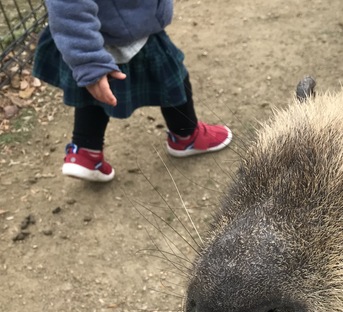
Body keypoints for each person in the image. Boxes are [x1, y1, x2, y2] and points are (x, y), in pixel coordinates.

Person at [33, 0, 232, 182]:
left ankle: (86, 150)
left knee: (97, 95)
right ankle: (186, 135)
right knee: (173, 78)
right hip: (119, 33)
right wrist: (88, 59)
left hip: (119, 23)